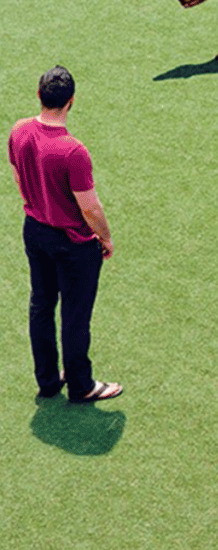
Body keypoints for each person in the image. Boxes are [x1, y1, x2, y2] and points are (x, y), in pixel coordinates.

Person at [8, 65, 123, 403]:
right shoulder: (73, 151)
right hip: (72, 243)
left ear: (40, 96)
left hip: (35, 230)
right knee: (75, 314)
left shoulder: (19, 131)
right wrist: (105, 236)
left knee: (41, 304)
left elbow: (18, 179)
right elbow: (90, 208)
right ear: (72, 101)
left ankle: (47, 379)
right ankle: (80, 384)